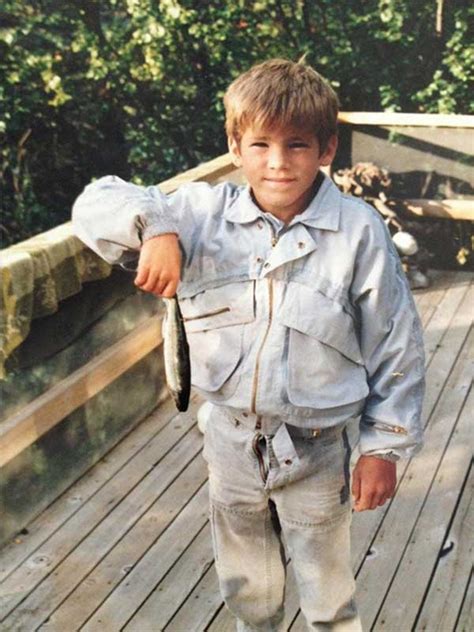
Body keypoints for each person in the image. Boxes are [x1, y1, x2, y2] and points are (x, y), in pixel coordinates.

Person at [72, 58, 425, 631]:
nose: (279, 162)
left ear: (327, 149)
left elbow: (397, 347)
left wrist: (384, 448)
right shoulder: (195, 214)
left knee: (328, 599)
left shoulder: (361, 232)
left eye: (298, 145)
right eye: (260, 144)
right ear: (235, 147)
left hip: (318, 451)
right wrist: (155, 230)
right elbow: (96, 201)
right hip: (229, 444)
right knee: (248, 595)